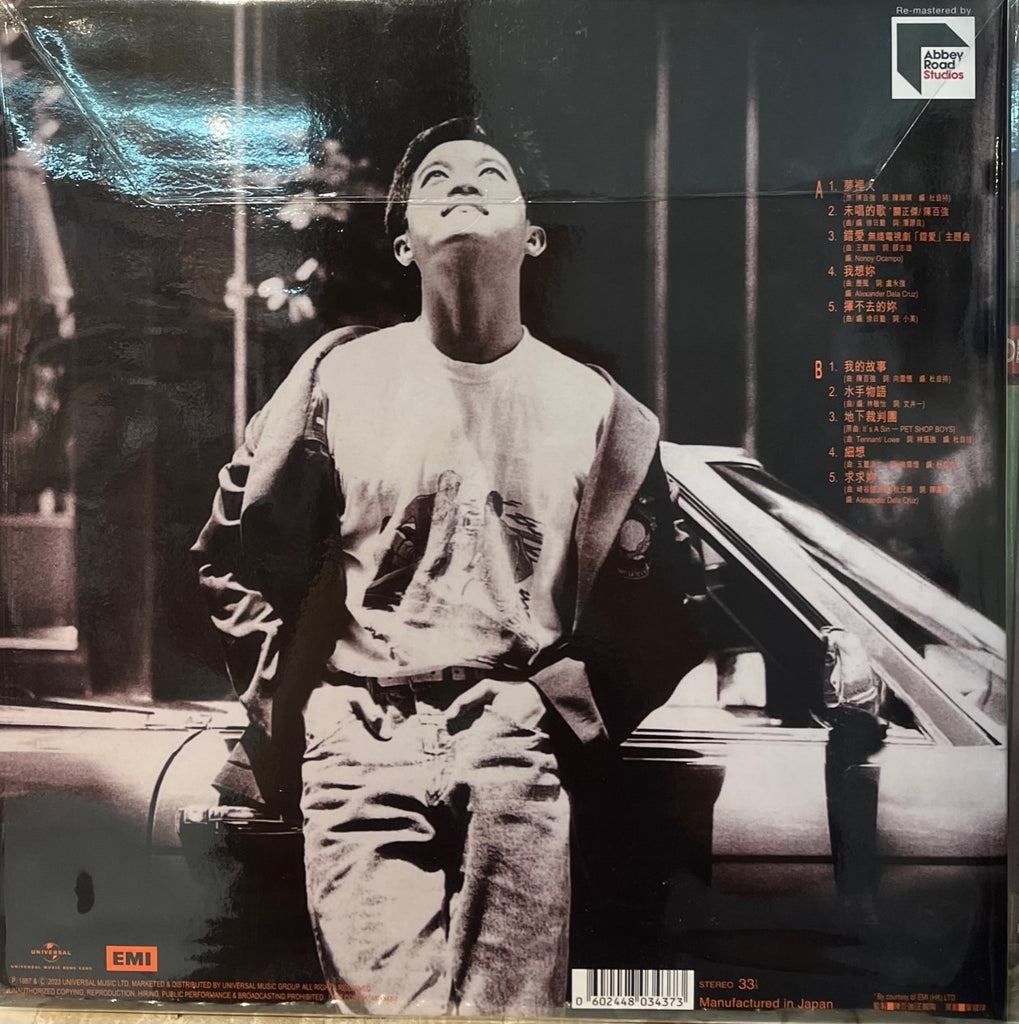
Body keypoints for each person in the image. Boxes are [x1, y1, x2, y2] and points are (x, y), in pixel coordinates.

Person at [192, 117, 707, 1016]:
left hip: (512, 732)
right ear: (404, 243)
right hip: (358, 733)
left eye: (489, 174)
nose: (461, 182)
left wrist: (560, 706)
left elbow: (673, 603)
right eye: (434, 178)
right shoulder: (336, 380)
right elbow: (228, 556)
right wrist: (299, 704)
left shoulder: (598, 409)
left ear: (532, 235)